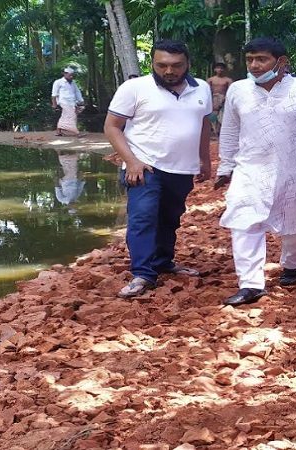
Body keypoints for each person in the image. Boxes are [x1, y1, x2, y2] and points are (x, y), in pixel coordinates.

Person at [215, 37, 296, 306]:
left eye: (261, 59)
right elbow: (229, 130)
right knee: (244, 222)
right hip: (250, 168)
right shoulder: (238, 90)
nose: (254, 65)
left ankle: (292, 266)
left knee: (295, 224)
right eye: (250, 59)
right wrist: (225, 166)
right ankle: (251, 284)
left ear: (282, 61)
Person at [103, 39, 213, 298]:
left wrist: (204, 159)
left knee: (170, 218)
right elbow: (112, 126)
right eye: (161, 65)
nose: (169, 71)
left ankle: (163, 262)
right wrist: (131, 161)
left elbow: (204, 124)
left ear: (188, 64)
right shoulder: (134, 88)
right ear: (152, 63)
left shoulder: (202, 89)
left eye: (176, 65)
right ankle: (143, 273)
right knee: (143, 218)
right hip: (143, 166)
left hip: (182, 168)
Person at [51, 67, 85, 136]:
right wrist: (54, 104)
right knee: (72, 116)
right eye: (70, 75)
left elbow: (77, 92)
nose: (71, 77)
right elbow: (54, 94)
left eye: (72, 75)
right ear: (64, 74)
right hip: (64, 102)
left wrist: (81, 100)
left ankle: (59, 131)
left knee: (65, 116)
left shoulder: (73, 83)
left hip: (72, 102)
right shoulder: (58, 82)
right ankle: (77, 132)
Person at [207, 62, 234, 135]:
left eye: (221, 68)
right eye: (218, 68)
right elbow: (207, 91)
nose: (220, 70)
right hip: (213, 99)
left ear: (224, 70)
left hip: (224, 99)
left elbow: (230, 91)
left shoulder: (228, 80)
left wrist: (224, 99)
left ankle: (220, 132)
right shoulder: (210, 80)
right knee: (212, 115)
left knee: (222, 116)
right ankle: (212, 131)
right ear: (215, 69)